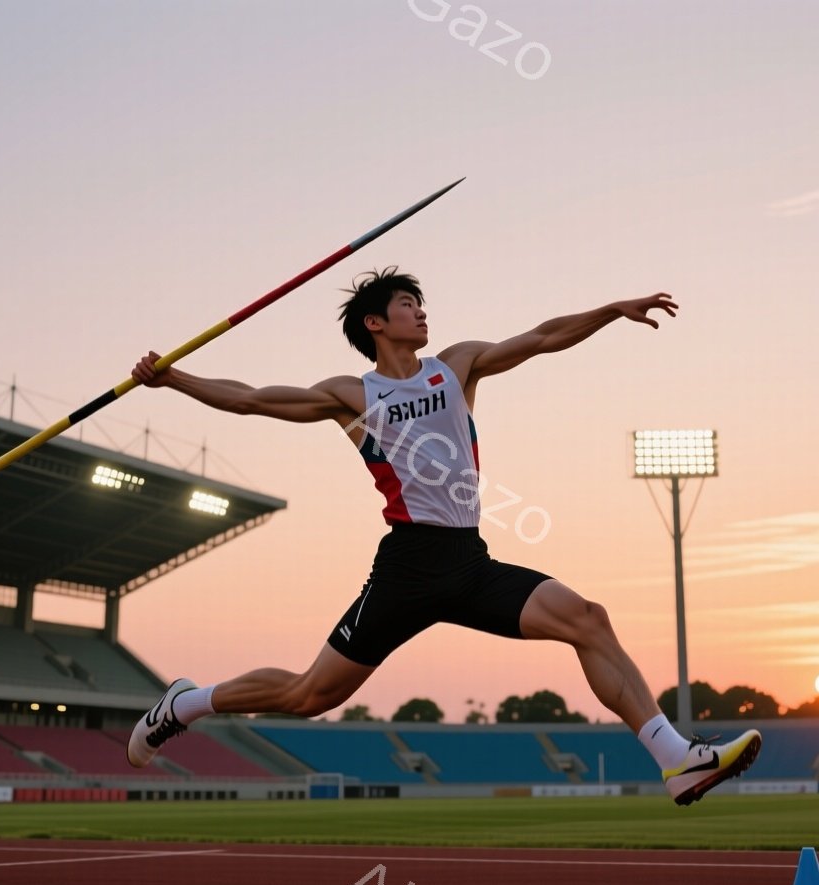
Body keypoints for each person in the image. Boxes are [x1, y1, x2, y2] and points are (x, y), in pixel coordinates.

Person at [125, 268, 760, 805]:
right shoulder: (353, 394)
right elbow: (253, 399)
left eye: (421, 305)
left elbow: (541, 338)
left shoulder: (456, 367)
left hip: (468, 560)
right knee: (308, 694)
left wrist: (611, 311)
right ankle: (186, 704)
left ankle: (678, 760)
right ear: (375, 323)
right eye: (408, 305)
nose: (422, 313)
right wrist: (173, 378)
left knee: (588, 618)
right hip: (407, 566)